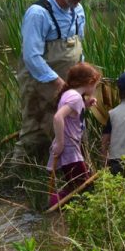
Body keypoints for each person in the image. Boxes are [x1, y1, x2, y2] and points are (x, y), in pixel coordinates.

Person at [14, 0, 89, 163]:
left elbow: (78, 46)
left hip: (68, 81)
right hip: (38, 80)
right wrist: (58, 83)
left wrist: (83, 78)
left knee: (72, 122)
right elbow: (32, 57)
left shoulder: (78, 10)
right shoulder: (38, 13)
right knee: (35, 128)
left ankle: (65, 170)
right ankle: (15, 175)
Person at [47, 63, 101, 207]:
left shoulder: (72, 95)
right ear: (90, 82)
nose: (95, 89)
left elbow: (72, 114)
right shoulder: (75, 98)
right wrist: (60, 142)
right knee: (84, 185)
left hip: (72, 147)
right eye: (96, 85)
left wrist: (86, 104)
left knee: (76, 184)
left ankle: (60, 205)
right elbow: (58, 117)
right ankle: (56, 204)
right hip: (69, 148)